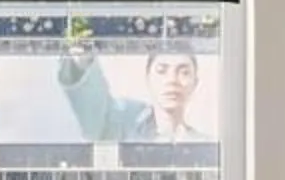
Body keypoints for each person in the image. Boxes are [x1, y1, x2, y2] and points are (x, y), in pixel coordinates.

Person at [56, 30, 209, 143]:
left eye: (184, 72)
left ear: (195, 83)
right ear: (148, 77)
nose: (172, 80)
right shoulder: (121, 123)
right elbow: (95, 115)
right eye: (162, 70)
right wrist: (83, 62)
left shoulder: (205, 145)